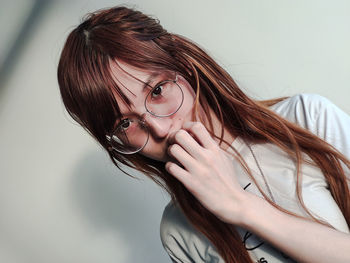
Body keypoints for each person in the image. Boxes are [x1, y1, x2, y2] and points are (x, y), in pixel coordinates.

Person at [57, 6, 350, 263]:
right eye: (125, 124)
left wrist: (240, 204)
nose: (160, 129)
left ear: (182, 66)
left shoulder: (307, 119)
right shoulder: (178, 231)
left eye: (157, 91)